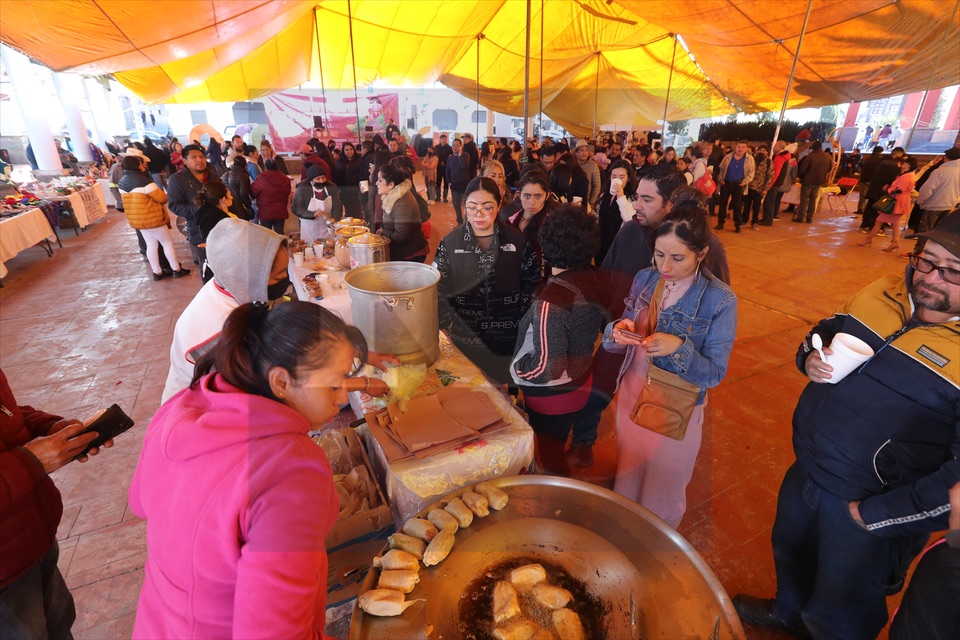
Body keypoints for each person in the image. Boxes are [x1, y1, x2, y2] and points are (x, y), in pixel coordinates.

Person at [733, 209, 960, 639]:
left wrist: (875, 516)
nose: (930, 276)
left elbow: (958, 480)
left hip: (869, 502)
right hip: (809, 465)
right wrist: (809, 356)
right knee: (791, 551)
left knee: (844, 603)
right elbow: (824, 330)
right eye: (926, 259)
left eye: (953, 271)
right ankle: (788, 612)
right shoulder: (882, 291)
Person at [131, 302, 371, 638]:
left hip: (159, 625)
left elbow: (140, 502)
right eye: (334, 386)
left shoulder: (184, 407)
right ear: (281, 382)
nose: (342, 397)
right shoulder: (290, 469)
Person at [571, 171, 731, 469]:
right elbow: (605, 276)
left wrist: (686, 350)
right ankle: (583, 441)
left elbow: (716, 299)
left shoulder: (707, 247)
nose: (637, 205)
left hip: (668, 359)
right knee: (597, 389)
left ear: (670, 204)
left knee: (656, 422)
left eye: (646, 199)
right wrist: (608, 325)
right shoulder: (629, 231)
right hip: (623, 337)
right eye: (636, 197)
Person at [603, 201, 736, 526]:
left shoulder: (720, 300)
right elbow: (616, 331)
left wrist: (679, 348)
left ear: (701, 254)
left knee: (663, 486)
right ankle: (624, 525)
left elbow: (715, 373)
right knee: (629, 472)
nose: (665, 266)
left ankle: (654, 541)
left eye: (678, 258)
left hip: (675, 403)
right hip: (633, 393)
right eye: (659, 254)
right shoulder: (646, 278)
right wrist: (616, 332)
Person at [0, 370, 115, 639]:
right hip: (4, 570)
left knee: (59, 623)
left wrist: (49, 428)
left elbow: (7, 413)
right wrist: (30, 462)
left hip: (32, 537)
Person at [511, 205, 610, 476]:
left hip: (552, 396)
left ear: (547, 246)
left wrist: (518, 372)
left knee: (550, 454)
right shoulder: (596, 277)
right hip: (581, 381)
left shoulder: (550, 303)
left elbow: (545, 369)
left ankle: (557, 499)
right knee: (555, 445)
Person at [161, 218, 290, 402]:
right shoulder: (221, 333)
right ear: (251, 279)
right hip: (195, 409)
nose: (286, 278)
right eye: (280, 274)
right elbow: (238, 397)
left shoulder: (227, 283)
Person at [434, 177, 541, 385]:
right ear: (464, 206)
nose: (479, 214)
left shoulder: (517, 242)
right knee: (467, 395)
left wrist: (522, 326)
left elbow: (532, 286)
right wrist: (446, 323)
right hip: (464, 342)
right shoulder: (450, 244)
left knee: (503, 399)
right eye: (472, 207)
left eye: (487, 207)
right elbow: (438, 289)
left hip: (506, 342)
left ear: (499, 205)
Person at [117, 153, 190, 280]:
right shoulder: (144, 182)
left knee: (151, 245)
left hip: (138, 221)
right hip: (153, 219)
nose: (143, 166)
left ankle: (157, 272)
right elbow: (162, 198)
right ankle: (176, 269)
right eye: (141, 163)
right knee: (167, 243)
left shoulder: (122, 182)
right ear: (137, 165)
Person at [167, 144, 224, 266]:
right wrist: (200, 209)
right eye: (194, 157)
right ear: (184, 161)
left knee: (224, 265)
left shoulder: (213, 174)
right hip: (198, 230)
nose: (199, 160)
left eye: (201, 156)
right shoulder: (177, 179)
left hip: (221, 228)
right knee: (207, 268)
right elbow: (174, 205)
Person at [858, 156, 917, 252]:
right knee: (894, 224)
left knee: (879, 221)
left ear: (912, 166)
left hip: (895, 202)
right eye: (904, 163)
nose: (904, 166)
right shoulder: (908, 175)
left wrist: (888, 188)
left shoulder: (907, 176)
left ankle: (868, 240)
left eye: (907, 164)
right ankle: (894, 243)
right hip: (898, 202)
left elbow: (899, 190)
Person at [376, 161, 428, 262]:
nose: (376, 183)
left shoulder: (402, 203)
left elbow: (401, 236)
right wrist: (382, 228)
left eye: (380, 180)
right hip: (401, 252)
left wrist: (383, 232)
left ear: (391, 184)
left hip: (411, 255)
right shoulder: (391, 197)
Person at [594, 159, 638, 266]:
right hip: (601, 241)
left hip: (618, 244)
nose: (617, 180)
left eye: (622, 177)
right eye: (614, 176)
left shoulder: (632, 197)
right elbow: (597, 216)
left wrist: (621, 196)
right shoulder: (605, 194)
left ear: (628, 178)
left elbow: (630, 220)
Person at [915, 146, 960, 234]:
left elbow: (927, 188)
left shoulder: (940, 171)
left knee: (925, 233)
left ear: (945, 157)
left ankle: (921, 248)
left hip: (933, 205)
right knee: (937, 233)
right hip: (949, 205)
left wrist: (920, 200)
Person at [292, 165, 341, 245]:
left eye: (323, 178)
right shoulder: (303, 188)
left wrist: (334, 219)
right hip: (309, 227)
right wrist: (312, 214)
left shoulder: (331, 187)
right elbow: (296, 208)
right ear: (312, 180)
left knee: (328, 248)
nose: (321, 181)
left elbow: (337, 206)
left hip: (327, 226)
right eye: (318, 179)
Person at [715, 141, 755, 232]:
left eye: (743, 147)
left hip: (738, 185)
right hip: (726, 183)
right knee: (722, 204)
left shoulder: (750, 159)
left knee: (737, 205)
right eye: (739, 147)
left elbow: (751, 173)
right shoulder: (728, 157)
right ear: (736, 147)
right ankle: (720, 222)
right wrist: (720, 179)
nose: (740, 149)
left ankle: (737, 224)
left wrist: (744, 182)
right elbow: (721, 169)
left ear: (746, 148)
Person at [250, 158, 292, 235]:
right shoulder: (285, 179)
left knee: (266, 235)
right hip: (280, 212)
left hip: (265, 213)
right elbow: (287, 192)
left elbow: (253, 194)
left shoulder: (261, 178)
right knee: (279, 235)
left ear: (266, 167)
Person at [794, 140, 831, 224]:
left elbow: (803, 169)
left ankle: (800, 217)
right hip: (819, 181)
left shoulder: (810, 157)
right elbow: (830, 168)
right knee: (812, 200)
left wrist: (800, 176)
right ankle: (809, 218)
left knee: (804, 200)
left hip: (807, 181)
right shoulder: (827, 156)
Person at [334, 141, 363, 219]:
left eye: (351, 149)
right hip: (343, 190)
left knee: (357, 209)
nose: (349, 151)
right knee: (348, 209)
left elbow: (362, 175)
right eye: (346, 150)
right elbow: (336, 175)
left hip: (355, 190)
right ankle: (350, 227)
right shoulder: (339, 162)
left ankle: (359, 225)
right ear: (343, 151)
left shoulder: (359, 160)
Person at [745, 145, 772, 229]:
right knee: (746, 205)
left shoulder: (769, 162)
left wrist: (765, 189)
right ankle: (744, 220)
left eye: (764, 150)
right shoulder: (752, 159)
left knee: (756, 206)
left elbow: (770, 175)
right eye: (760, 150)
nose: (762, 152)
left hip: (759, 188)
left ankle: (754, 222)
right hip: (749, 186)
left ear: (767, 152)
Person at [445, 138, 471, 224]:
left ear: (461, 146)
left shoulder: (466, 155)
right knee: (456, 204)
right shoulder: (450, 158)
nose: (454, 147)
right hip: (454, 184)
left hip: (464, 184)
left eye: (456, 145)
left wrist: (460, 155)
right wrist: (449, 181)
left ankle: (467, 223)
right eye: (453, 145)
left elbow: (464, 166)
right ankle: (460, 221)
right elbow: (447, 171)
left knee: (466, 205)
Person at [576, 142, 602, 211]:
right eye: (582, 150)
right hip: (574, 200)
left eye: (586, 150)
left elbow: (597, 185)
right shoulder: (573, 164)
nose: (584, 153)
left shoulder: (593, 165)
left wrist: (592, 202)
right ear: (576, 153)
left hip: (587, 201)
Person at [435, 134, 453, 202]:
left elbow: (451, 158)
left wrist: (445, 162)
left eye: (445, 139)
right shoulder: (436, 148)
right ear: (440, 140)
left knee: (446, 183)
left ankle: (445, 197)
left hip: (447, 168)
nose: (444, 140)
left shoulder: (449, 148)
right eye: (442, 139)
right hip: (438, 168)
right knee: (438, 182)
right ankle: (438, 196)